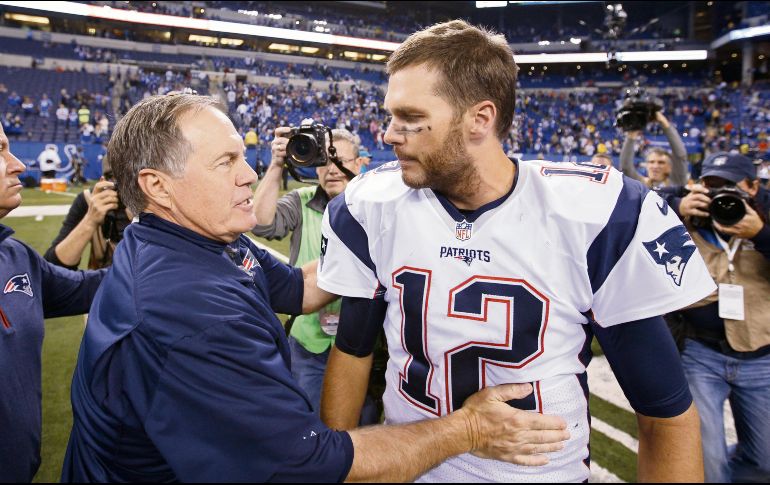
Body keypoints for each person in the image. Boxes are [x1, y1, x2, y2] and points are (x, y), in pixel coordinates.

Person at [61, 93, 571, 483]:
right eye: (226, 163)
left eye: (245, 156)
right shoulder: (191, 308)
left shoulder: (201, 241)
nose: (249, 176)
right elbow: (307, 462)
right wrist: (469, 429)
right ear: (157, 185)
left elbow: (300, 289)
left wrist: (384, 247)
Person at [318, 20, 715, 483]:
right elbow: (351, 349)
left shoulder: (597, 216)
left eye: (410, 118)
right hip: (409, 467)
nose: (388, 134)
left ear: (480, 120)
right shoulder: (371, 206)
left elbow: (663, 412)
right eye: (390, 115)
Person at [0, 123, 104, 482]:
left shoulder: (14, 256)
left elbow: (84, 287)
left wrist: (161, 245)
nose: (17, 164)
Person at [662, 152, 770, 483]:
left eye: (730, 187)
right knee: (707, 458)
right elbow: (636, 204)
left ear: (752, 187)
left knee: (764, 461)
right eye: (712, 187)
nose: (720, 196)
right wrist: (675, 205)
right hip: (700, 352)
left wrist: (761, 234)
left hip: (761, 355)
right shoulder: (689, 211)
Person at [252, 127, 365, 415]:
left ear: (359, 163)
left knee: (361, 428)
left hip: (361, 337)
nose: (332, 170)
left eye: (341, 161)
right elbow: (261, 223)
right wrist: (277, 164)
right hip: (307, 341)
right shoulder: (301, 200)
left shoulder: (374, 207)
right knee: (307, 424)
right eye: (325, 161)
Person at [43, 158, 131, 270]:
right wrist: (90, 221)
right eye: (113, 176)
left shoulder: (155, 203)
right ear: (103, 180)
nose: (122, 183)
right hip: (104, 283)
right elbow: (52, 269)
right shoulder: (90, 200)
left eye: (129, 175)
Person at [620, 111, 689, 188]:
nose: (655, 166)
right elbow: (626, 168)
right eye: (651, 162)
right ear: (646, 165)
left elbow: (680, 155)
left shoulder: (677, 182)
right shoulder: (641, 185)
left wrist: (663, 122)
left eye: (661, 162)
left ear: (670, 167)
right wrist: (632, 135)